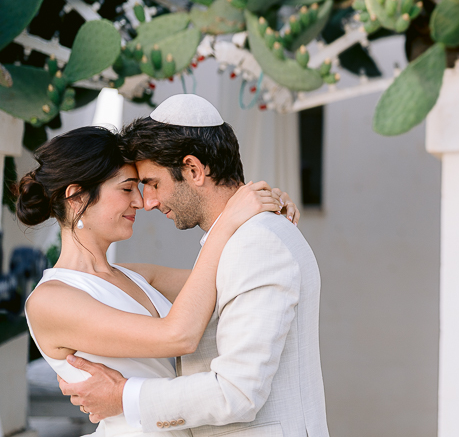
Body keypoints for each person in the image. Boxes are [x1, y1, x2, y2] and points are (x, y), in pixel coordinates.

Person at [57, 94, 330, 437]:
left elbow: (238, 392)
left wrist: (123, 396)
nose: (148, 202)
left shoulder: (257, 243)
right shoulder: (242, 238)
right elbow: (168, 289)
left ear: (193, 170)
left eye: (153, 184)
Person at [17, 123, 292, 437]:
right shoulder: (49, 301)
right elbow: (179, 335)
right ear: (77, 197)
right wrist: (230, 220)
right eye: (126, 188)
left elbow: (240, 279)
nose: (141, 201)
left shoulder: (136, 275)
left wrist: (263, 216)